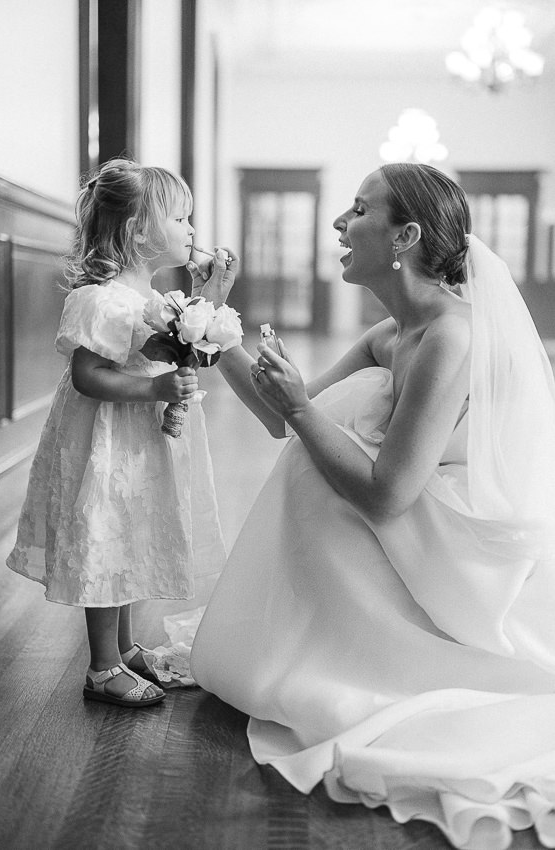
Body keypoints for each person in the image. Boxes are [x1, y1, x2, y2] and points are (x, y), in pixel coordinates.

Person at [185, 163, 555, 848]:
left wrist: (302, 408)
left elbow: (387, 495)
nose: (338, 223)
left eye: (357, 210)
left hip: (459, 550)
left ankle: (348, 654)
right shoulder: (391, 333)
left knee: (325, 438)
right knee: (325, 428)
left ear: (404, 235)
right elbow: (278, 416)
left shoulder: (451, 334)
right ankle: (315, 640)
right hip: (414, 515)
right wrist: (212, 322)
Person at [7, 158, 237, 708]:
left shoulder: (155, 301)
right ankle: (102, 666)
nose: (191, 230)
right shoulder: (102, 299)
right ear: (138, 231)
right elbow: (88, 378)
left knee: (128, 538)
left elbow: (193, 347)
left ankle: (127, 648)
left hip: (140, 444)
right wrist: (157, 392)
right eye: (180, 218)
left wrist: (216, 297)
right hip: (108, 447)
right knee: (107, 538)